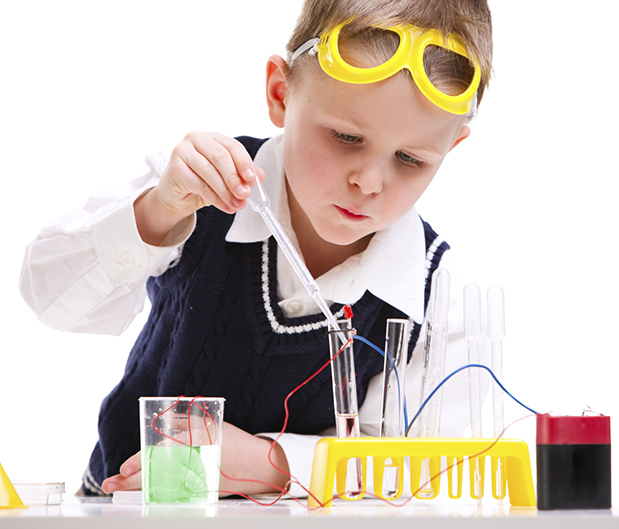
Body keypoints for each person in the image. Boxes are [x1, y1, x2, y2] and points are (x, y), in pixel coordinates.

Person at [20, 0, 493, 498]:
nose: (369, 182)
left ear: (451, 147)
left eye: (410, 159)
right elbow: (49, 298)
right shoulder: (196, 190)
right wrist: (159, 211)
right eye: (346, 136)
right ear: (280, 92)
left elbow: (428, 473)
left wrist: (272, 464)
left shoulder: (438, 295)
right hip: (125, 511)